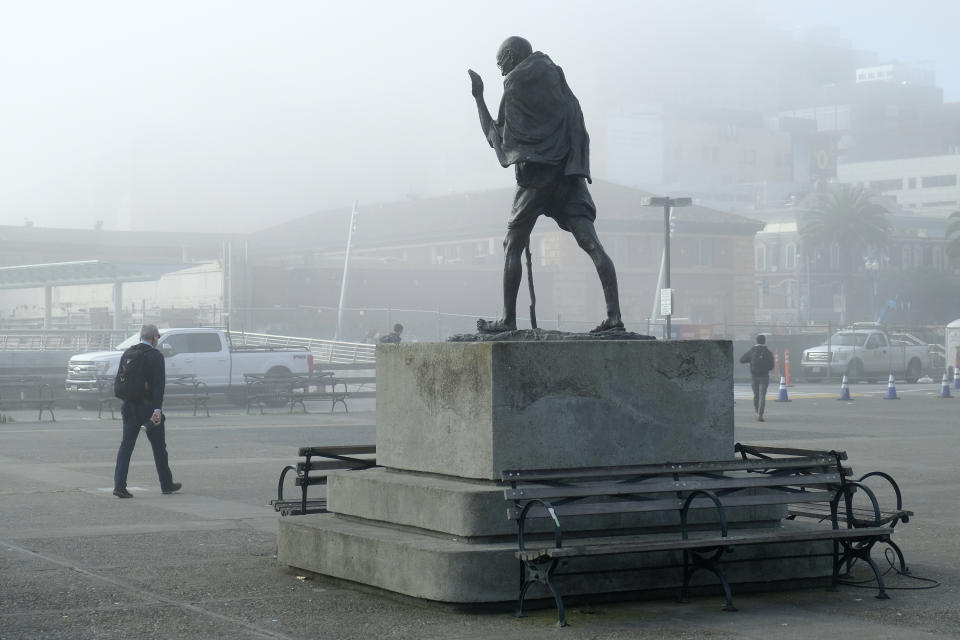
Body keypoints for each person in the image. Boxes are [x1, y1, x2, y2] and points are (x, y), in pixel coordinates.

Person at [467, 36, 623, 334]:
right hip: (567, 174)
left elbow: (497, 139)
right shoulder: (556, 78)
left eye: (501, 64)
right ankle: (614, 316)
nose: (500, 70)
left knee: (512, 244)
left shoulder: (514, 85)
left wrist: (478, 97)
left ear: (511, 56)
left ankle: (508, 319)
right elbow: (576, 122)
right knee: (591, 243)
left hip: (537, 176)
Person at [112, 324, 181, 498]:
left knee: (126, 446)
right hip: (148, 407)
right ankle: (166, 484)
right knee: (159, 447)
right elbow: (159, 385)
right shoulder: (155, 356)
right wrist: (157, 409)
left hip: (128, 406)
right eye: (157, 337)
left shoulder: (128, 353)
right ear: (154, 338)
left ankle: (119, 486)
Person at [739, 334, 775, 422]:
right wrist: (765, 368)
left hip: (754, 376)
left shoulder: (753, 350)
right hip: (764, 376)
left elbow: (741, 360)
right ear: (765, 341)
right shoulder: (768, 352)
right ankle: (760, 414)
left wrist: (750, 361)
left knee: (756, 395)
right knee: (762, 395)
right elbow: (772, 366)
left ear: (756, 341)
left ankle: (756, 412)